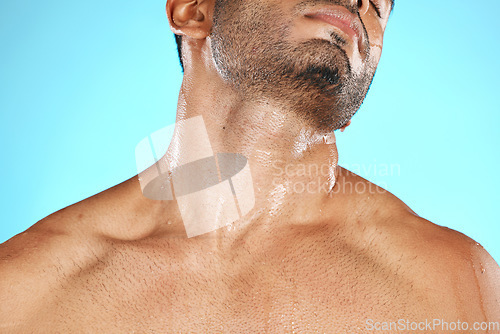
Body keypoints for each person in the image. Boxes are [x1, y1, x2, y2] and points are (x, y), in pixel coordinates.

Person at [1, 0, 499, 332]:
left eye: (379, 4)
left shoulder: (451, 285)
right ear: (194, 10)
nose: (360, 2)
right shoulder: (24, 294)